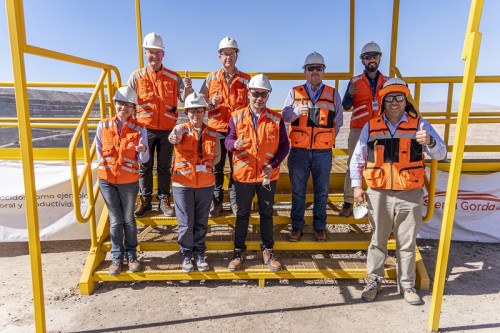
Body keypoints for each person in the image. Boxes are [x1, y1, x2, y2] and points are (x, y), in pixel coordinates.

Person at [350, 78, 447, 305]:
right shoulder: (371, 126)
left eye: (399, 98)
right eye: (390, 98)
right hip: (378, 193)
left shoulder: (420, 125)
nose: (394, 102)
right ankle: (374, 281)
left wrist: (430, 141)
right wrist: (357, 186)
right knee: (377, 241)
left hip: (409, 194)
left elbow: (441, 154)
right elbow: (357, 159)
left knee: (407, 242)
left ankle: (407, 285)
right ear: (383, 102)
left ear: (405, 101)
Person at [225, 74, 289, 272]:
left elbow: (284, 146)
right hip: (243, 175)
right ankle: (238, 252)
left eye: (263, 94)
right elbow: (228, 141)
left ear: (268, 96)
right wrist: (234, 144)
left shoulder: (276, 119)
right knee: (242, 214)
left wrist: (274, 164)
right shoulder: (236, 116)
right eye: (255, 94)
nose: (259, 98)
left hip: (266, 176)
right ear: (248, 93)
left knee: (266, 214)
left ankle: (268, 252)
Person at [128, 32, 193, 217]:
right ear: (145, 53)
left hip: (166, 130)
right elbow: (128, 103)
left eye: (158, 52)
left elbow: (185, 99)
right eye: (150, 52)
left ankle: (164, 199)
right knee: (145, 166)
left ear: (163, 54)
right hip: (144, 129)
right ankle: (146, 200)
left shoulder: (174, 77)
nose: (154, 56)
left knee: (164, 167)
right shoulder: (136, 76)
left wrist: (188, 87)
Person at [281, 52, 343, 242]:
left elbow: (338, 122)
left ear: (324, 71)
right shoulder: (294, 92)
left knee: (321, 192)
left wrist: (325, 141)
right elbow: (284, 116)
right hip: (299, 151)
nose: (314, 72)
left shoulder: (333, 94)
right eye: (311, 69)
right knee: (298, 191)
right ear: (305, 72)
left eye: (318, 68)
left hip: (323, 152)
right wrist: (295, 112)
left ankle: (319, 227)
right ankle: (297, 226)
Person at [96, 87, 150, 276]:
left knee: (128, 219)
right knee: (115, 220)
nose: (124, 108)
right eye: (121, 104)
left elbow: (144, 158)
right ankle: (117, 259)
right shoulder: (103, 125)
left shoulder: (139, 127)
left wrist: (142, 150)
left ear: (134, 107)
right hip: (107, 180)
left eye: (128, 105)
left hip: (128, 181)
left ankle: (132, 256)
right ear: (114, 104)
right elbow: (99, 151)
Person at [168, 92, 221, 273]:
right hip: (182, 184)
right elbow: (172, 137)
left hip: (205, 185)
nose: (195, 114)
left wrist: (203, 168)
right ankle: (185, 255)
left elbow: (217, 157)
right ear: (187, 112)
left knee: (201, 222)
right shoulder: (179, 129)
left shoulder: (213, 133)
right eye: (192, 111)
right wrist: (173, 138)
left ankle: (199, 254)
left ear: (205, 111)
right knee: (185, 223)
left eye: (199, 110)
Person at [200, 36, 250, 217]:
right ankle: (217, 202)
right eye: (225, 53)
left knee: (237, 167)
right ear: (219, 56)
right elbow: (200, 103)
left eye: (232, 53)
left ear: (237, 55)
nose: (228, 57)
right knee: (216, 168)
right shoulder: (210, 78)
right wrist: (210, 103)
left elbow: (252, 105)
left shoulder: (246, 79)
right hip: (216, 129)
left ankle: (235, 202)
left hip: (238, 130)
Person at [340, 41, 388, 218]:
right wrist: (350, 94)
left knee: (381, 165)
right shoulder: (355, 81)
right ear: (363, 61)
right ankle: (347, 202)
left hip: (381, 129)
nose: (371, 60)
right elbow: (345, 106)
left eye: (374, 56)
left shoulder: (388, 82)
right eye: (368, 57)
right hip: (359, 129)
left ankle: (377, 202)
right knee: (353, 165)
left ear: (379, 58)